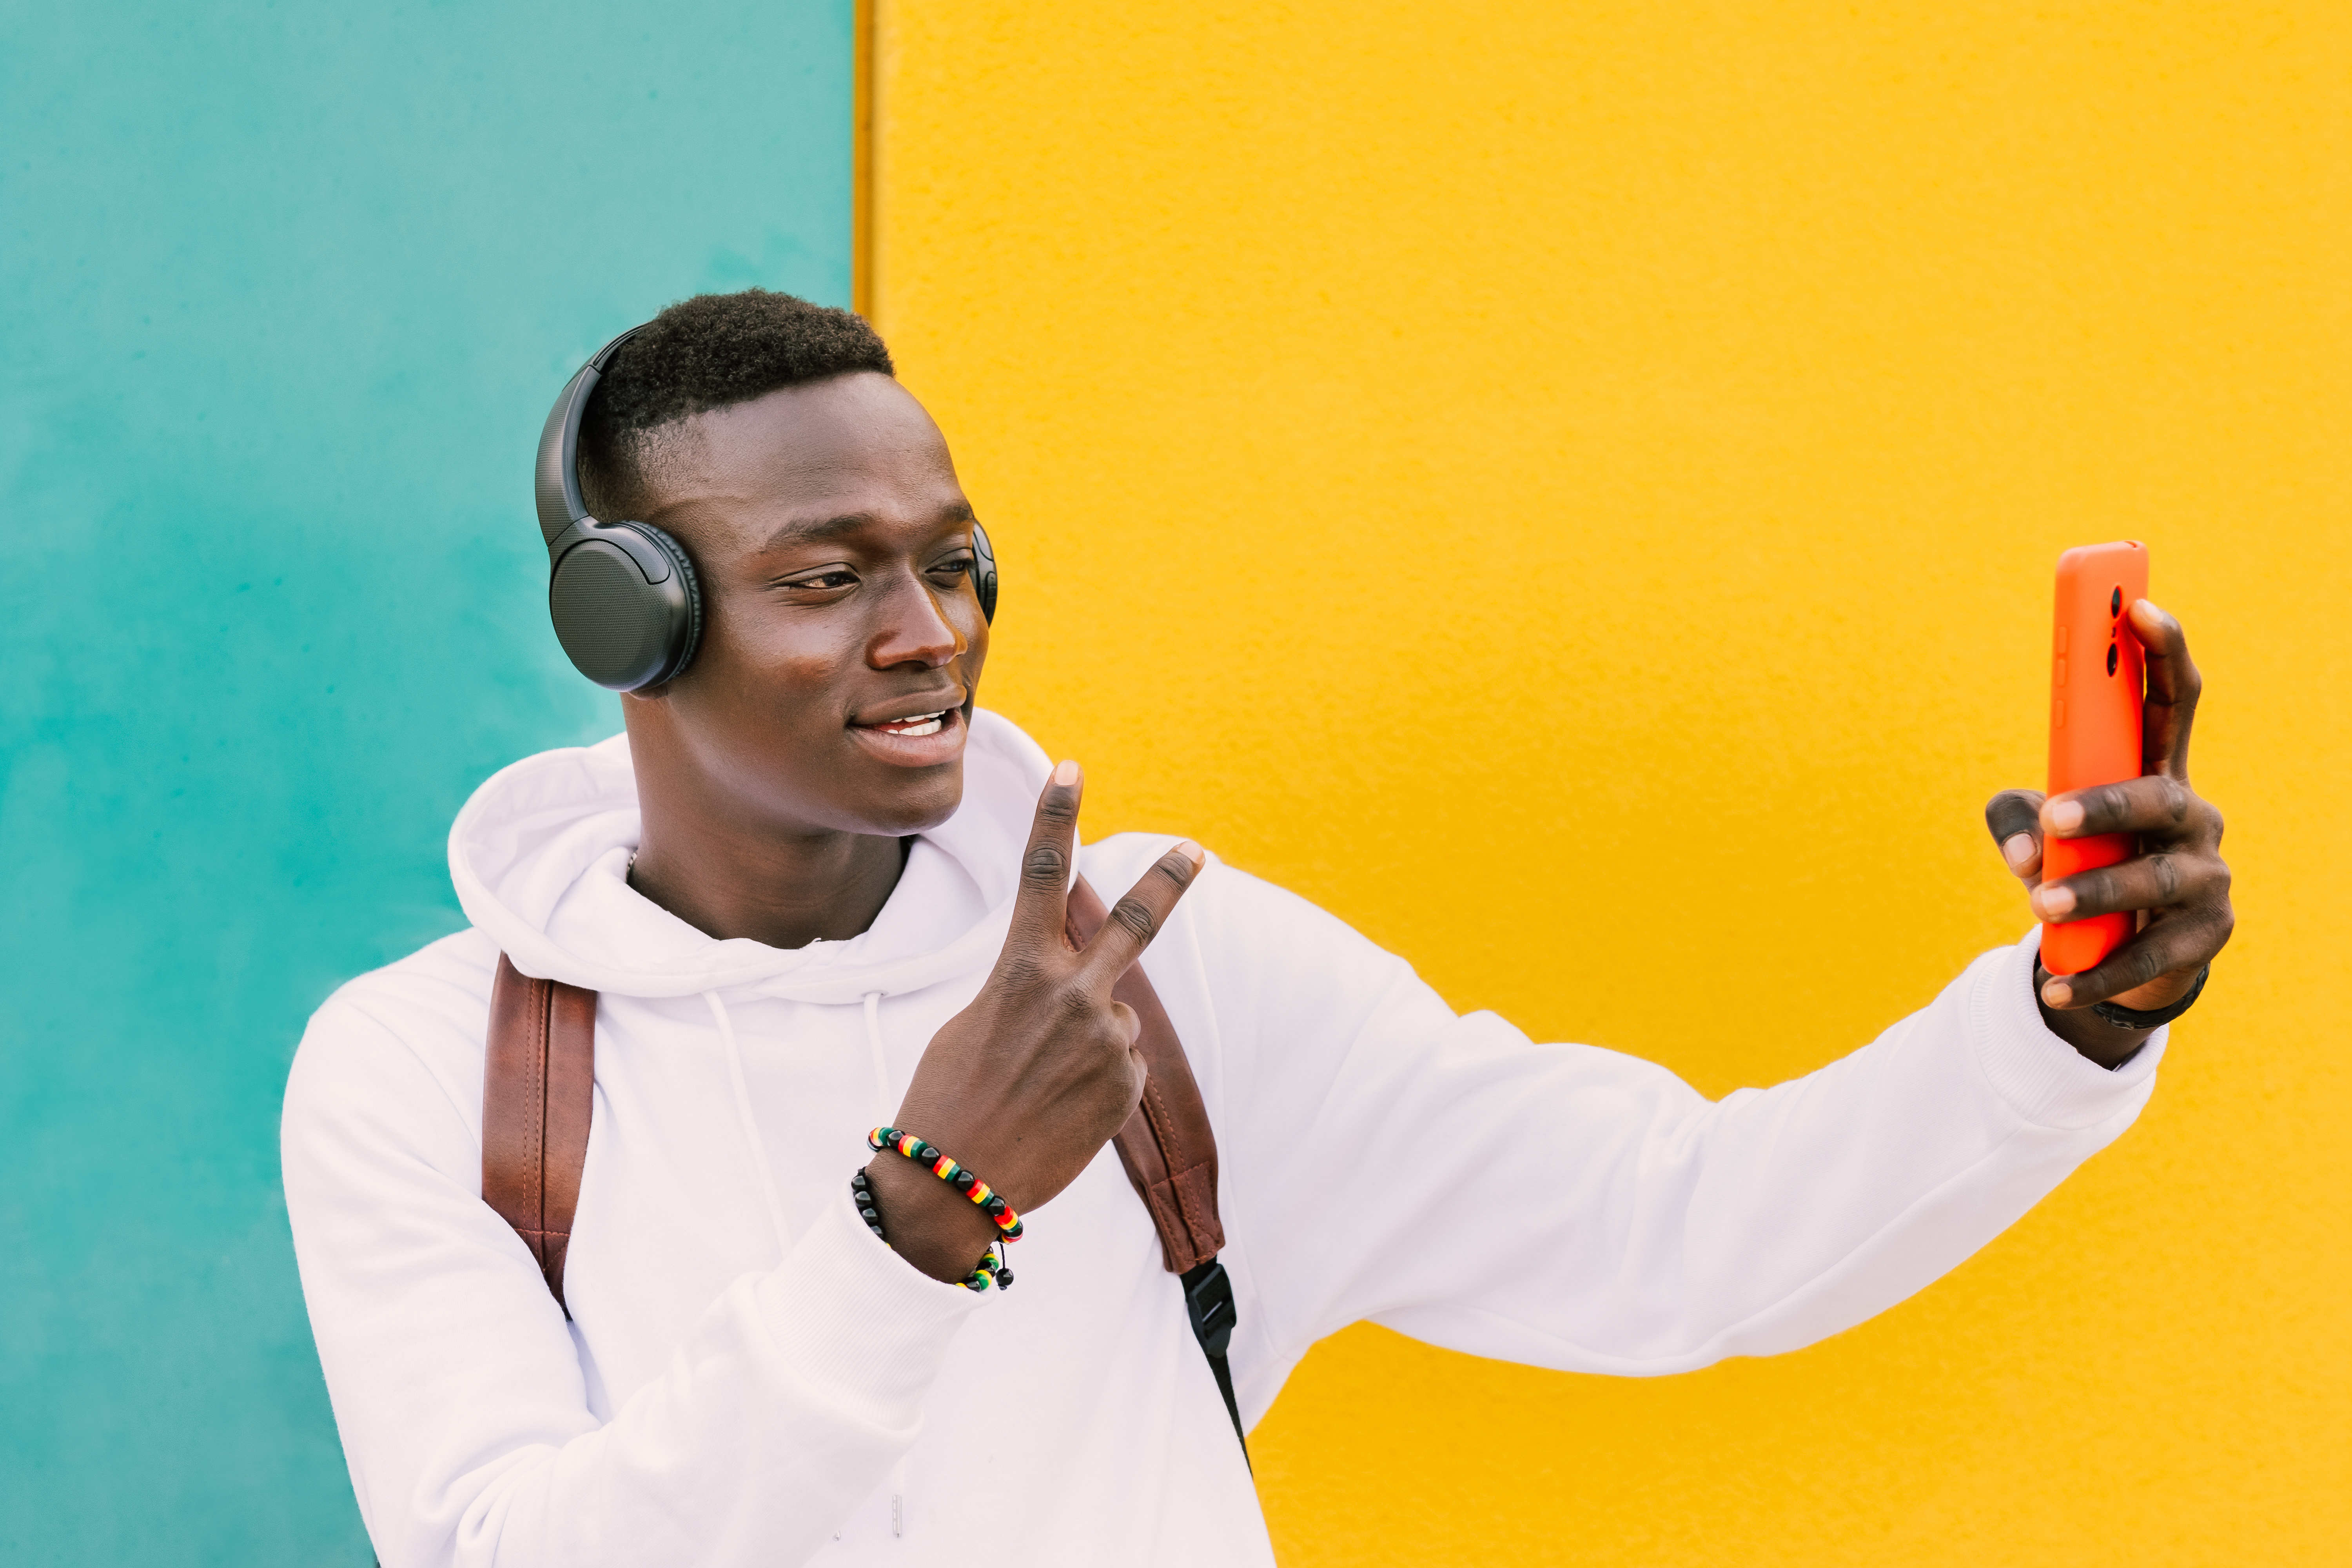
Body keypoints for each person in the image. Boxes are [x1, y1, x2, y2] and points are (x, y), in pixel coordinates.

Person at [281, 289, 2234, 1567]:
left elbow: (1681, 1236)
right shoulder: (429, 1067)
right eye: (828, 578)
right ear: (633, 624)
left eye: (951, 561)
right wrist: (924, 1214)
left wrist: (2065, 1026)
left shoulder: (1164, 968)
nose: (929, 632)